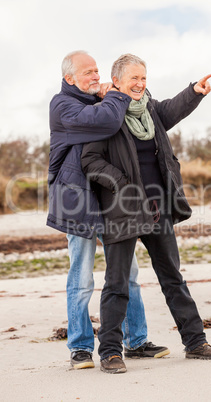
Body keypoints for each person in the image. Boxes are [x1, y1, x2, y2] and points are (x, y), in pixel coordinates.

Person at [81, 53, 211, 374]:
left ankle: (195, 341)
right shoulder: (103, 115)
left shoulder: (150, 109)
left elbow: (172, 108)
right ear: (116, 81)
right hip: (122, 210)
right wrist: (120, 182)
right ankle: (110, 352)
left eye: (143, 78)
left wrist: (195, 92)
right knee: (117, 283)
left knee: (173, 277)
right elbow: (90, 161)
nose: (140, 84)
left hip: (158, 209)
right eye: (134, 78)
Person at [47, 50, 169, 370]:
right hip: (77, 201)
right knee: (82, 275)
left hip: (106, 199)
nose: (94, 76)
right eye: (88, 72)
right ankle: (81, 347)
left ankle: (137, 340)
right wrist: (114, 92)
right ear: (69, 78)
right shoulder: (63, 105)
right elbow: (107, 120)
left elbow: (132, 111)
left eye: (97, 70)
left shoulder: (95, 100)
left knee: (127, 273)